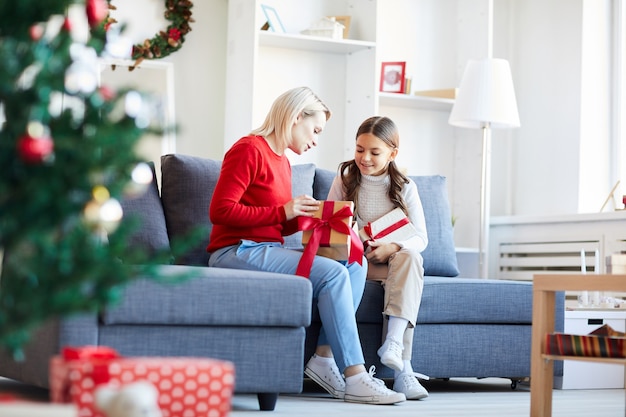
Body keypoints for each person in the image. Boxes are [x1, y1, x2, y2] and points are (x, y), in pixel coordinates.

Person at [207, 87, 405, 405]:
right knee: (333, 275)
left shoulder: (283, 163)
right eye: (315, 130)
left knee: (355, 264)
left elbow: (278, 225)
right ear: (296, 117)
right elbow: (220, 211)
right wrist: (284, 211)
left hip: (264, 247)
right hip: (236, 250)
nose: (315, 140)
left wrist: (312, 217)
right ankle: (355, 376)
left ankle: (323, 360)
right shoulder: (248, 149)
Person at [327, 115, 430, 400]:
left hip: (392, 262)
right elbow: (331, 231)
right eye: (360, 149)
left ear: (393, 153)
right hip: (358, 262)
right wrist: (358, 240)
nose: (365, 158)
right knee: (409, 271)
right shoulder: (345, 181)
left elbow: (421, 237)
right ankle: (404, 371)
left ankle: (394, 346)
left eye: (375, 152)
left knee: (411, 258)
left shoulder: (406, 186)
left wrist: (392, 247)